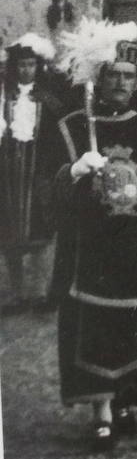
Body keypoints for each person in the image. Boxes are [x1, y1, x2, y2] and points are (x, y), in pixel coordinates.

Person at [52, 46, 137, 450]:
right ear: (98, 77)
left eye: (129, 76)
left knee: (133, 324)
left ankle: (125, 398)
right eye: (113, 75)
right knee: (94, 327)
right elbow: (46, 191)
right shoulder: (71, 128)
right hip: (88, 249)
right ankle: (101, 411)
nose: (121, 83)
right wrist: (73, 170)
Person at [0, 36, 62, 313]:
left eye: (31, 64)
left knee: (40, 233)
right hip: (8, 177)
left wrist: (49, 171)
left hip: (38, 174)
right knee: (9, 233)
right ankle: (16, 293)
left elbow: (56, 137)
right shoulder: (4, 97)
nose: (26, 70)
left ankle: (39, 292)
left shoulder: (47, 99)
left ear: (38, 66)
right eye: (22, 65)